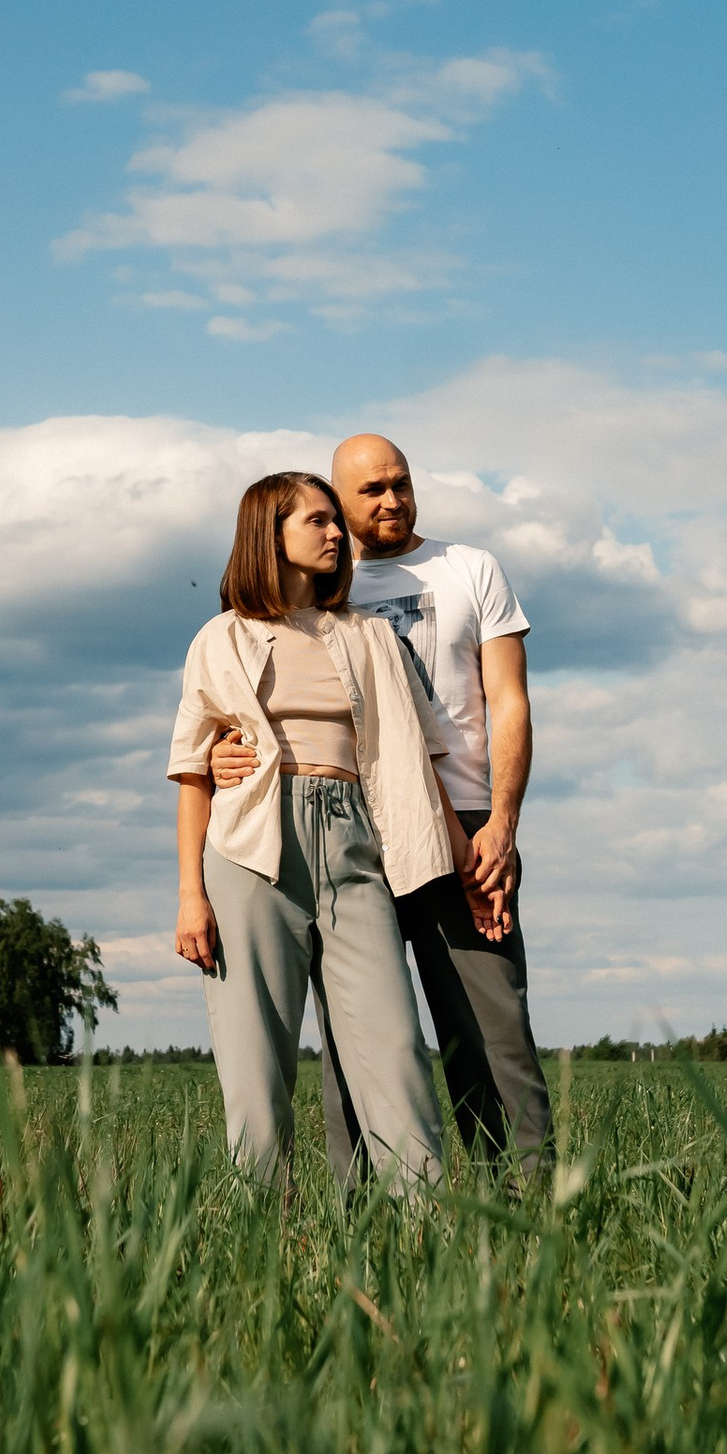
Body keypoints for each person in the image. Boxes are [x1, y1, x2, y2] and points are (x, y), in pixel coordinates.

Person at [215, 434, 553, 1179]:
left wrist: (500, 826)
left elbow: (510, 701)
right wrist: (219, 753)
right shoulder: (319, 584)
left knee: (493, 1034)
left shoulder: (471, 569)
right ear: (335, 503)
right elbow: (255, 702)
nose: (391, 500)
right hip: (352, 828)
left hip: (465, 826)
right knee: (358, 1042)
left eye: (401, 483)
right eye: (369, 491)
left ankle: (531, 1215)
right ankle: (360, 1227)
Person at [167, 469, 478, 1189]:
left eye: (338, 521)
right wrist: (190, 896)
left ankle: (423, 1238)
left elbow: (417, 756)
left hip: (353, 844)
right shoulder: (221, 639)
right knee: (255, 1070)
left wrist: (462, 856)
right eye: (318, 521)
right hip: (249, 852)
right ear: (268, 535)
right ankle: (260, 1253)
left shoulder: (371, 636)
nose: (339, 533)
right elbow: (191, 771)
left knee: (395, 1051)